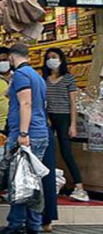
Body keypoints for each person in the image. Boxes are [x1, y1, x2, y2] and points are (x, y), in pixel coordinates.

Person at [0, 42, 51, 234]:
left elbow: (25, 103)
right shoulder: (37, 77)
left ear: (11, 57)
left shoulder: (21, 75)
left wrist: (23, 134)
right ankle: (34, 224)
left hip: (27, 133)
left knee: (18, 179)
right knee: (32, 180)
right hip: (40, 131)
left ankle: (16, 224)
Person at [43, 48, 89, 202]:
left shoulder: (68, 78)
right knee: (48, 151)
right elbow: (44, 102)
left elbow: (73, 103)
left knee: (66, 152)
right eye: (49, 58)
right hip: (49, 117)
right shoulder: (44, 79)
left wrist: (73, 125)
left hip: (64, 117)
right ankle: (52, 183)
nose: (51, 60)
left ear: (61, 59)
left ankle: (79, 187)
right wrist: (47, 117)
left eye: (54, 57)